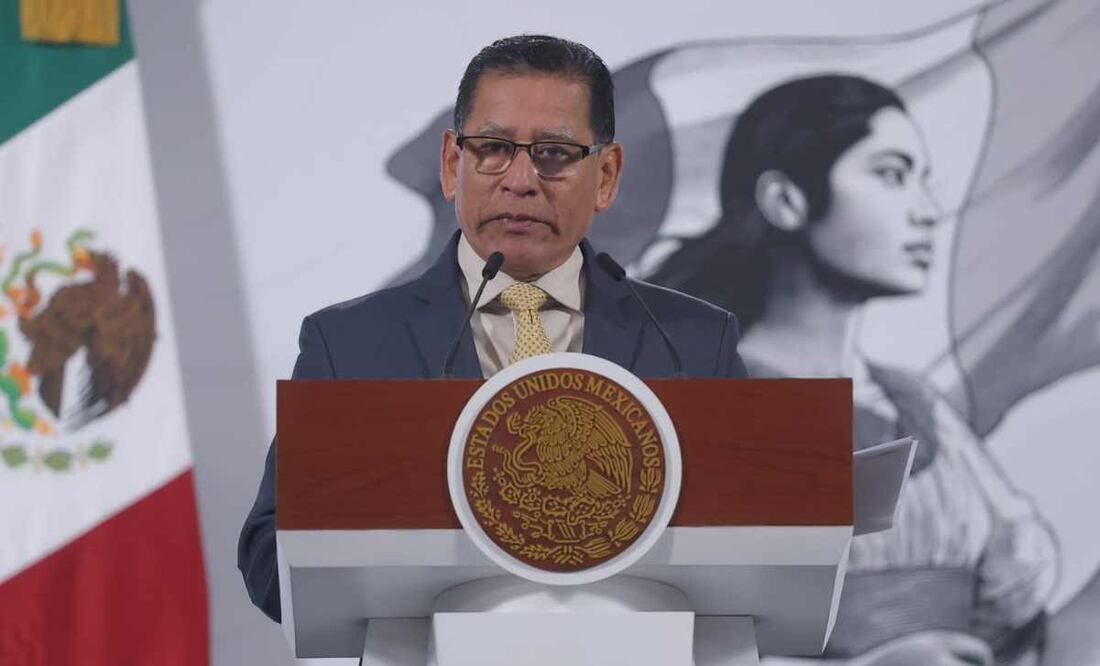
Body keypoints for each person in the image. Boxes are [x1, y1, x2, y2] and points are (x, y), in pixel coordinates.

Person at [238, 34, 747, 623]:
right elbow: (269, 558)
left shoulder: (690, 341)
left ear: (605, 175)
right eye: (494, 148)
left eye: (555, 153)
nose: (521, 179)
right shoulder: (350, 345)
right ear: (454, 164)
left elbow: (752, 540)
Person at [649, 75, 1057, 666]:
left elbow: (1016, 606)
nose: (928, 211)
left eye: (924, 180)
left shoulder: (914, 402)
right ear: (786, 200)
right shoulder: (710, 401)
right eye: (891, 175)